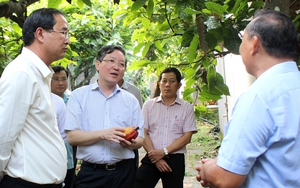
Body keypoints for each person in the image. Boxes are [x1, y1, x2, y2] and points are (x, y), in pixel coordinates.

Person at [196, 9, 300, 188]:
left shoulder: (259, 98)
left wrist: (208, 168)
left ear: (254, 44)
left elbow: (225, 178)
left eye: (242, 39)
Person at [0, 8, 70, 187]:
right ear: (40, 33)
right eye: (63, 32)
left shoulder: (39, 74)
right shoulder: (22, 73)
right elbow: (4, 136)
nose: (67, 40)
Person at [65, 45, 144, 188]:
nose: (116, 67)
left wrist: (129, 142)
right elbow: (72, 137)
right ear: (98, 64)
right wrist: (103, 134)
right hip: (91, 174)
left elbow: (140, 140)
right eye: (111, 61)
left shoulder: (131, 100)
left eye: (121, 64)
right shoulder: (79, 96)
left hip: (124, 174)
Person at [134, 67, 197, 188]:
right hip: (152, 157)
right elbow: (143, 132)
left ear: (179, 85)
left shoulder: (186, 108)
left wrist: (163, 152)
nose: (167, 85)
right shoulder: (149, 105)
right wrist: (156, 158)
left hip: (174, 159)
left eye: (172, 81)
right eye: (164, 81)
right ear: (159, 84)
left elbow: (187, 137)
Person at [51, 65, 75, 188]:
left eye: (64, 79)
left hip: (69, 159)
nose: (60, 83)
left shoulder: (73, 100)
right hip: (50, 159)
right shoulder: (44, 101)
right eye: (55, 79)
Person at [118, 78, 143, 169]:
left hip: (129, 141)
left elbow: (139, 121)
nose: (116, 68)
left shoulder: (134, 91)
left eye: (121, 64)